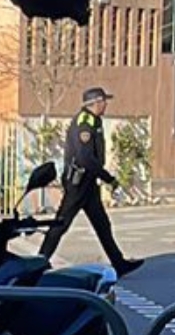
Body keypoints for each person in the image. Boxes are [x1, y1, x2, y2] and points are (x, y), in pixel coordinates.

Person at [39, 86, 144, 278]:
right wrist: (108, 178)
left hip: (88, 182)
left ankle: (119, 263)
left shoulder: (95, 121)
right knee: (61, 224)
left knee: (102, 224)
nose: (106, 105)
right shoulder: (85, 121)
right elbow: (85, 158)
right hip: (78, 183)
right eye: (104, 101)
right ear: (95, 102)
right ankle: (39, 262)